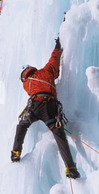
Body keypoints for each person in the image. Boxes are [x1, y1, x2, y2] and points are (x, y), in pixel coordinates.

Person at [11, 37, 80, 179]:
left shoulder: (26, 83)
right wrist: (58, 45)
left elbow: (30, 85)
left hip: (35, 106)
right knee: (59, 135)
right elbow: (54, 60)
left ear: (23, 75)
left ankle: (16, 152)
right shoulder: (46, 71)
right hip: (50, 106)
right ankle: (71, 168)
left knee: (22, 125)